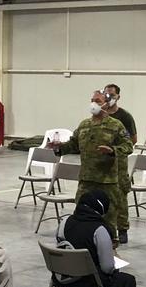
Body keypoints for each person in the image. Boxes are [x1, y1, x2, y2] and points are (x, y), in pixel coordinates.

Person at [50, 90, 134, 241]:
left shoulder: (115, 125)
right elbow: (73, 144)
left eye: (98, 100)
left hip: (107, 181)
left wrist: (112, 151)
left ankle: (110, 249)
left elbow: (128, 146)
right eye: (92, 100)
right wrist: (58, 147)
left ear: (106, 104)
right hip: (86, 179)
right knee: (80, 214)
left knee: (108, 219)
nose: (93, 103)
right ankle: (81, 243)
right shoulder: (84, 125)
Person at [54, 188, 136, 287]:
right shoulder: (99, 230)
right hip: (87, 286)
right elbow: (107, 268)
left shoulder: (64, 221)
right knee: (127, 281)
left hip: (61, 282)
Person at [104, 83, 136, 245]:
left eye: (111, 95)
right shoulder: (101, 115)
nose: (108, 97)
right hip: (102, 164)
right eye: (106, 94)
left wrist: (115, 148)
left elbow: (133, 139)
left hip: (119, 162)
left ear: (118, 97)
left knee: (120, 196)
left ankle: (122, 229)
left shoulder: (124, 117)